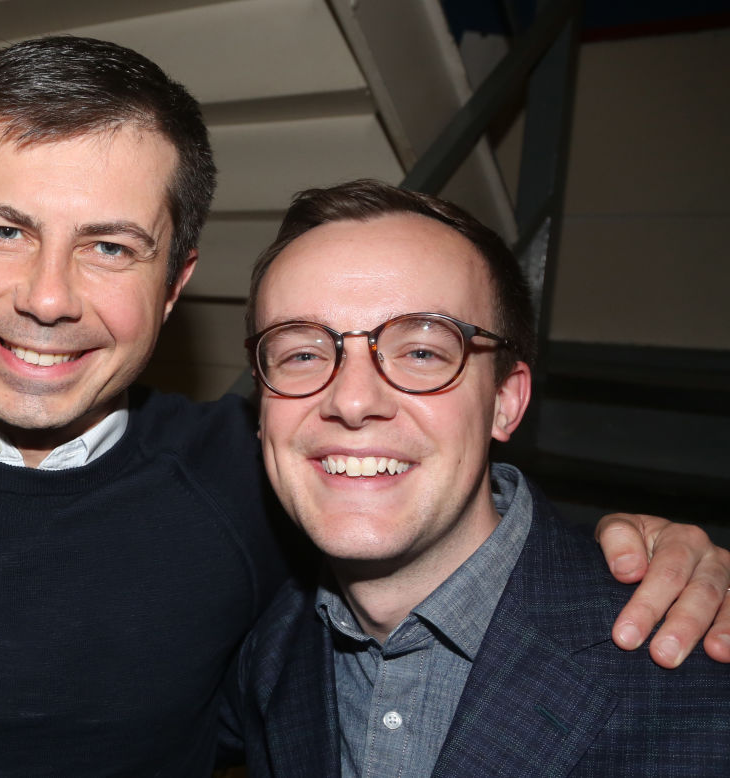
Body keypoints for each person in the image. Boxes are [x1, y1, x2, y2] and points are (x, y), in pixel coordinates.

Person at [0, 37, 725, 776]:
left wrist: (650, 549)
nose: (48, 295)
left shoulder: (251, 481)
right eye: (6, 230)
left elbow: (439, 516)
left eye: (110, 245)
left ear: (175, 283)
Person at [221, 180, 730, 777]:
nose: (353, 401)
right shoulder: (268, 645)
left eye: (422, 352)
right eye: (302, 354)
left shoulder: (695, 679)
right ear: (261, 409)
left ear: (505, 403)